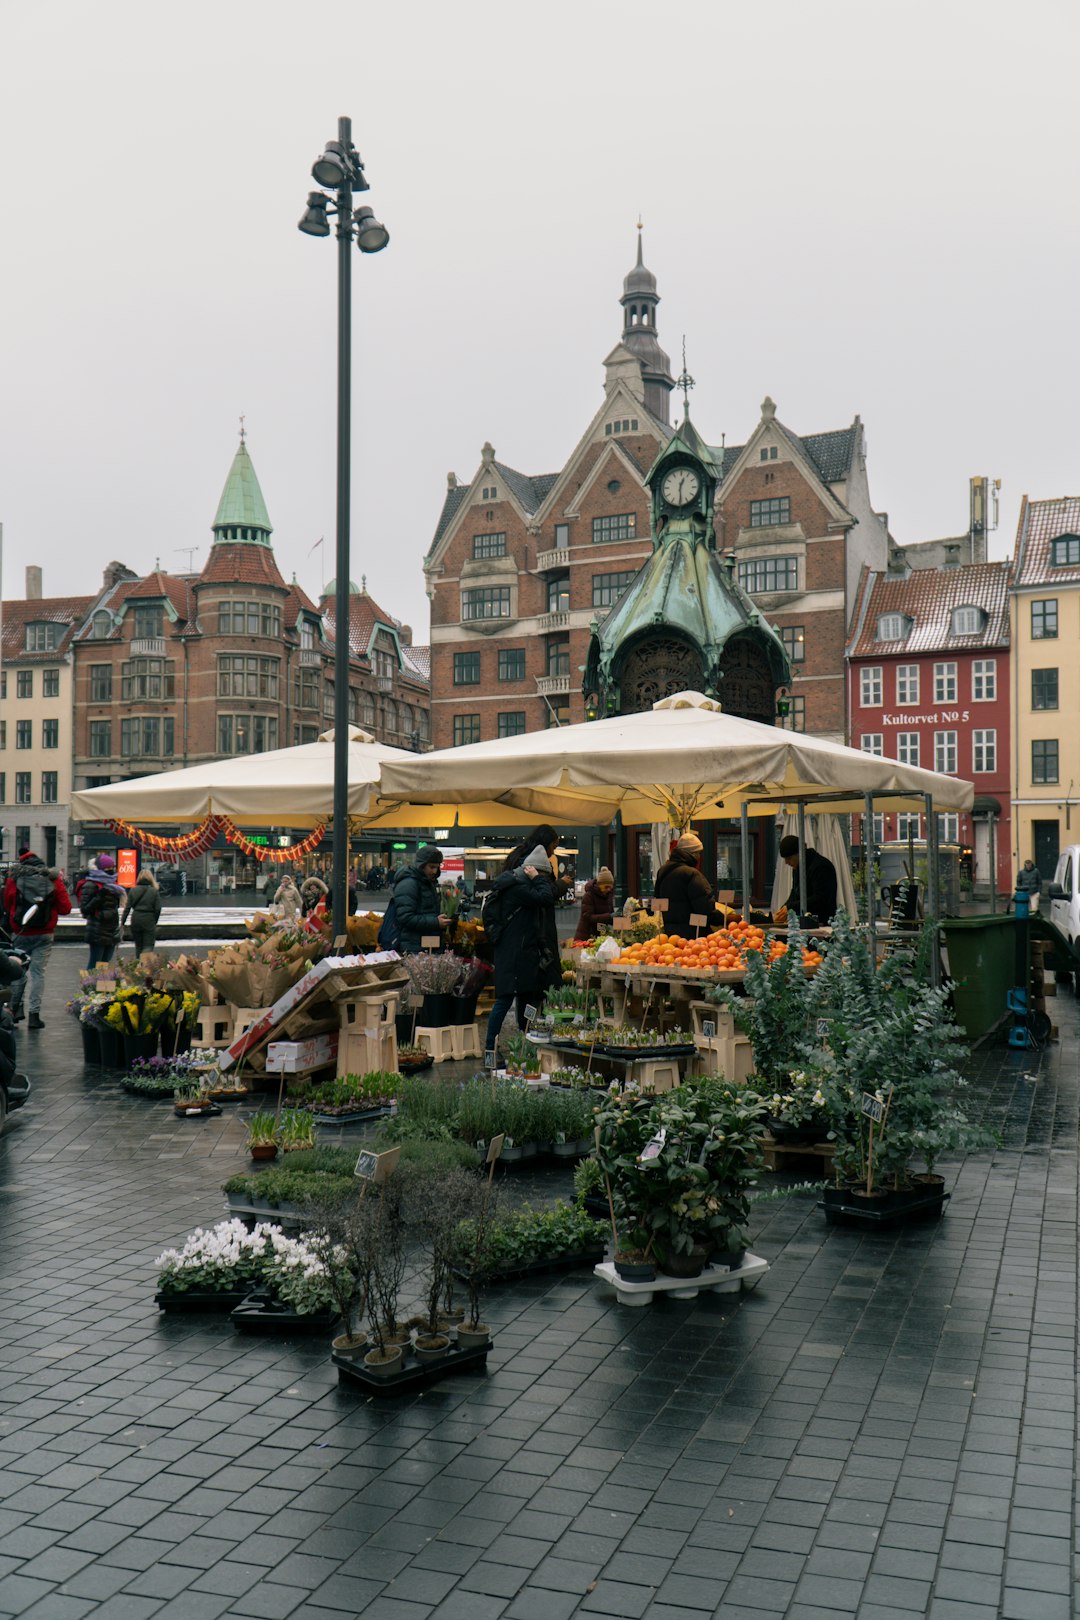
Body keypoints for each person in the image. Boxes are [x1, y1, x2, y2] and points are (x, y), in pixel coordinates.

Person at [485, 845, 559, 1056]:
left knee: (527, 999)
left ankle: (526, 1041)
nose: (544, 879)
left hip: (522, 952)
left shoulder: (518, 884)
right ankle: (490, 1048)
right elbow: (547, 898)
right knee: (505, 999)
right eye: (543, 874)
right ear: (533, 870)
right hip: (514, 954)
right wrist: (538, 879)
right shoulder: (518, 888)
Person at [3, 846, 71, 1030]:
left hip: (21, 932)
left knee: (17, 971)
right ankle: (34, 1015)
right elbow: (65, 908)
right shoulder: (52, 878)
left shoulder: (14, 879)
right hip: (44, 934)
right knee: (38, 974)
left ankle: (13, 1011)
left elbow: (7, 903)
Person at [653, 833, 720, 940]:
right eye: (698, 853)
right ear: (692, 854)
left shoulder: (662, 871)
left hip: (671, 936)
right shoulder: (691, 874)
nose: (699, 857)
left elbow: (658, 898)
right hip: (694, 936)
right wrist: (724, 919)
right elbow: (705, 909)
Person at [392, 846, 448, 954]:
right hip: (415, 947)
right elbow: (405, 917)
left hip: (427, 945)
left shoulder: (428, 882)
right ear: (421, 865)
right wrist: (436, 922)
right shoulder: (409, 883)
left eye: (437, 867)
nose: (434, 871)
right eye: (431, 867)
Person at [777, 834, 838, 925]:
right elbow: (795, 893)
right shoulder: (798, 868)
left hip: (823, 922)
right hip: (805, 922)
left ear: (800, 853)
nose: (786, 862)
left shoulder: (821, 867)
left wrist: (790, 907)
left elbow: (820, 899)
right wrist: (783, 909)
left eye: (789, 858)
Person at [80, 854, 126, 970]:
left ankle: (102, 983)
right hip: (97, 931)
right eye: (108, 868)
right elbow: (85, 909)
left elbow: (113, 908)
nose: (111, 870)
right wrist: (99, 896)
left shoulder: (113, 886)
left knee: (105, 966)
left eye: (112, 868)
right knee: (94, 965)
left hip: (111, 930)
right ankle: (89, 982)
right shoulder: (91, 885)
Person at [122, 869, 162, 956]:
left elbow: (127, 908)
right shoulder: (154, 891)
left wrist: (122, 922)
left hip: (136, 918)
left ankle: (138, 962)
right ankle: (145, 963)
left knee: (138, 946)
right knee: (148, 946)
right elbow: (158, 909)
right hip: (149, 919)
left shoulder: (133, 890)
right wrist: (154, 921)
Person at [575, 866, 616, 939]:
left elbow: (610, 915)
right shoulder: (589, 896)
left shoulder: (608, 895)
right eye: (606, 887)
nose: (608, 889)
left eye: (610, 887)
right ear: (599, 885)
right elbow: (587, 917)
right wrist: (609, 916)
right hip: (587, 934)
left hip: (601, 933)